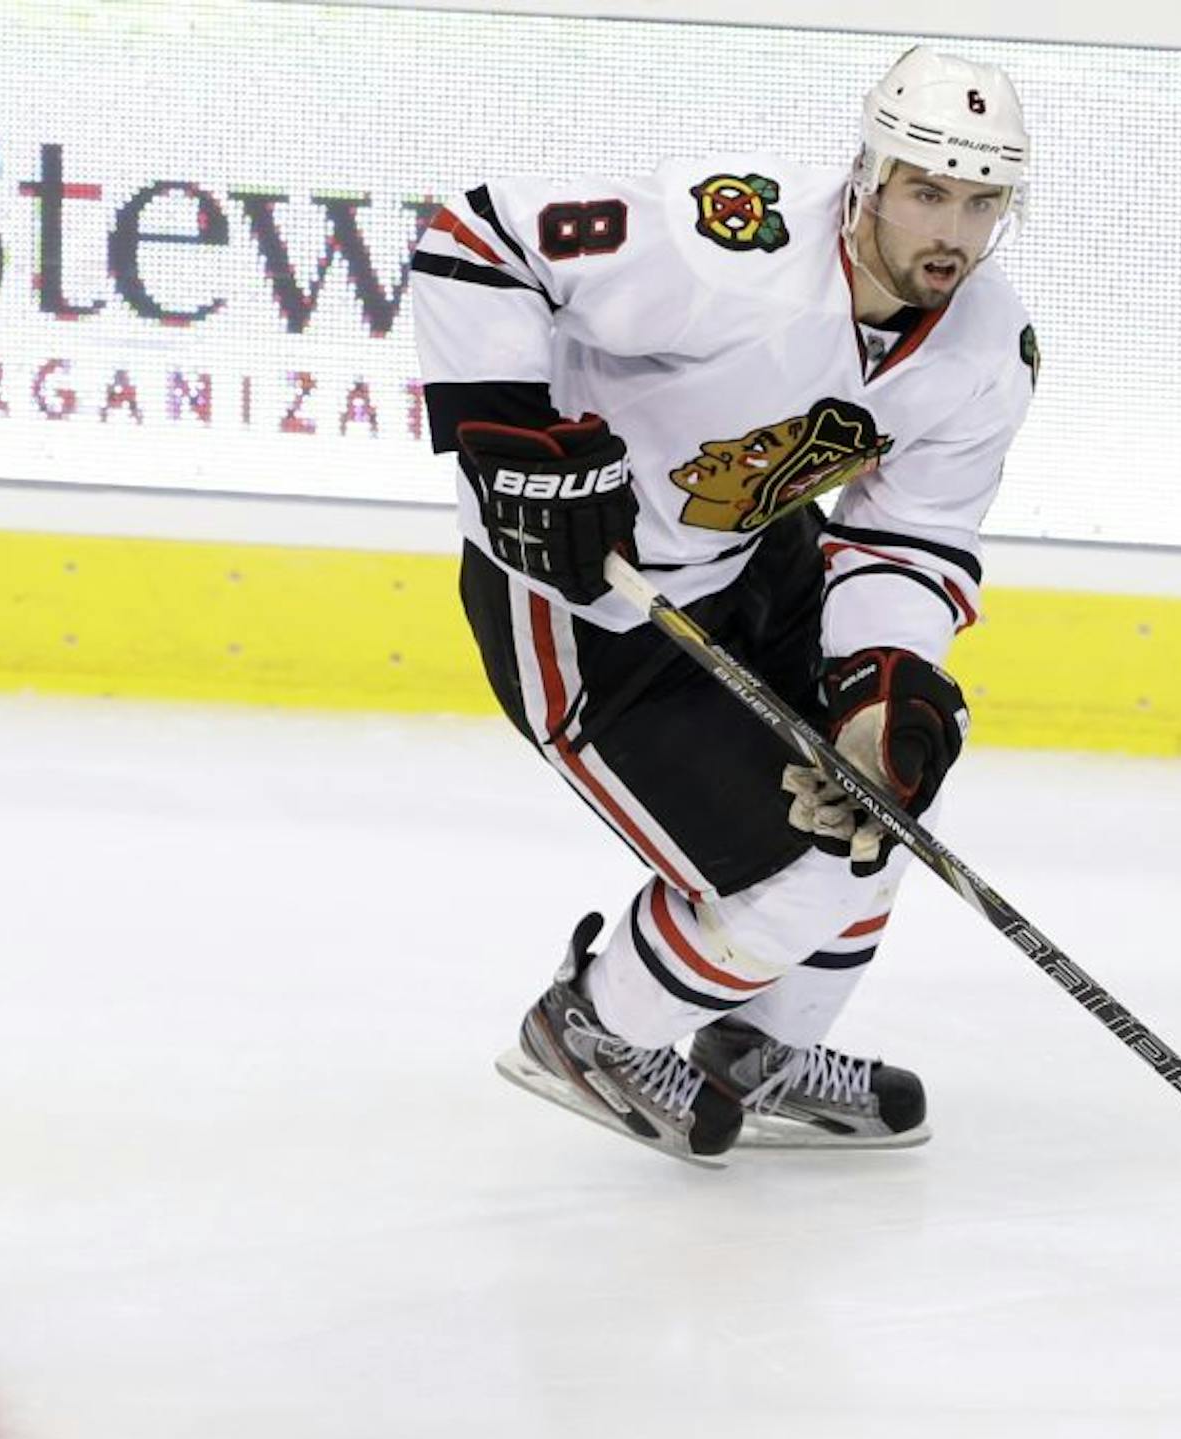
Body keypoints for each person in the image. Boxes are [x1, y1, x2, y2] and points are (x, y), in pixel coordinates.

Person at [410, 45, 1038, 1166]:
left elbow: (907, 536)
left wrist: (882, 681)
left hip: (754, 554)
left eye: (982, 199)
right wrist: (508, 435)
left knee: (883, 798)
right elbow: (479, 235)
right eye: (927, 190)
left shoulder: (988, 350)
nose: (952, 229)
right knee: (789, 874)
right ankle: (595, 1032)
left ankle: (755, 1048)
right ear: (870, 174)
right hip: (583, 597)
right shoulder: (733, 249)